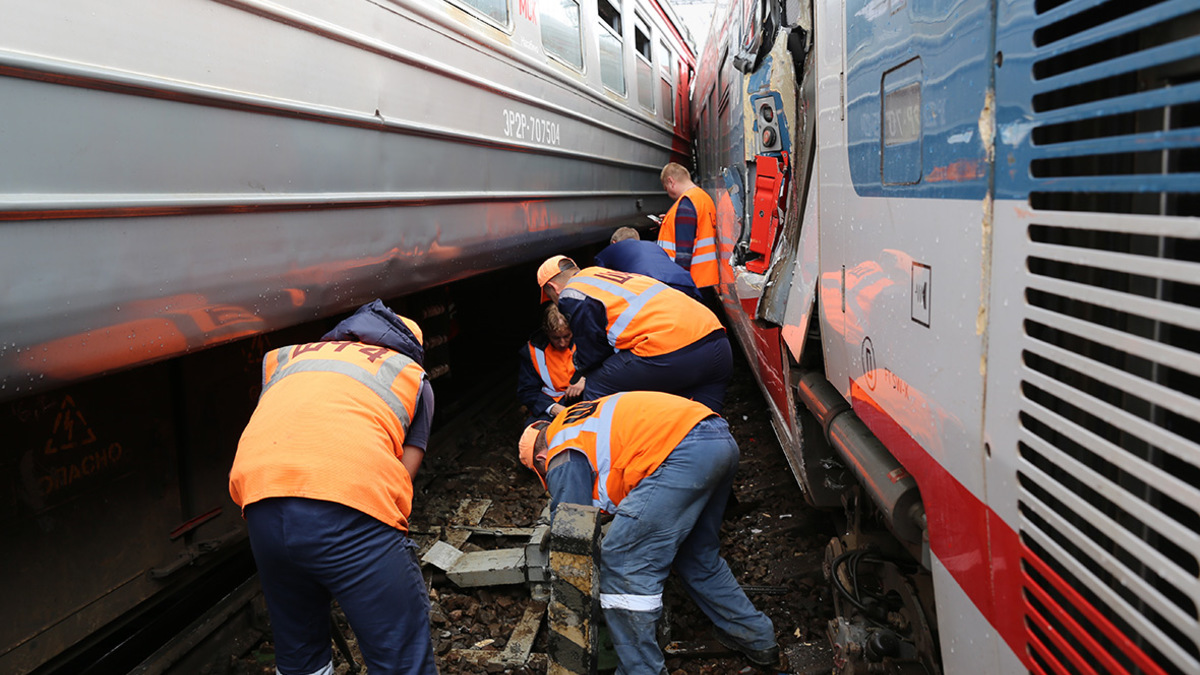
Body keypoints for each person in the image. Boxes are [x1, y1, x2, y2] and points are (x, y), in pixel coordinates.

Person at [229, 299, 436, 675]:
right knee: (401, 655)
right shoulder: (408, 373)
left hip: (261, 502)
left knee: (301, 657)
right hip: (347, 504)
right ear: (410, 348)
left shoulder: (293, 358)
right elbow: (403, 474)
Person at [517, 392, 779, 673]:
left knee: (622, 563)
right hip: (715, 438)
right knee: (696, 554)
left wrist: (575, 604)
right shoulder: (577, 419)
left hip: (681, 454)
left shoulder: (560, 451)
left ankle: (639, 669)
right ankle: (756, 638)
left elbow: (572, 530)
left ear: (541, 458)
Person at [536, 255, 732, 414]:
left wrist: (581, 373)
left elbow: (593, 352)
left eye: (552, 298)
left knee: (597, 385)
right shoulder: (601, 276)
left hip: (673, 351)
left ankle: (612, 451)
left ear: (553, 288)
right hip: (718, 343)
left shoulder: (572, 292)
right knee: (704, 418)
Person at [593, 227, 702, 301]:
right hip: (685, 283)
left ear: (614, 243)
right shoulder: (654, 246)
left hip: (652, 288)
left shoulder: (611, 250)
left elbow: (603, 283)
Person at [518, 303, 583, 423]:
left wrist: (584, 378)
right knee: (534, 432)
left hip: (588, 393)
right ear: (547, 333)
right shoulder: (532, 352)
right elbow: (527, 391)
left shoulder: (586, 337)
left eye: (566, 336)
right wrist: (553, 408)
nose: (562, 343)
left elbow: (608, 364)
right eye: (556, 338)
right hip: (555, 404)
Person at [658, 163, 719, 289]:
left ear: (671, 181)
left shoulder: (686, 203)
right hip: (706, 278)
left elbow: (684, 253)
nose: (668, 193)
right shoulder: (703, 198)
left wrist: (679, 283)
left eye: (666, 188)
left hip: (691, 281)